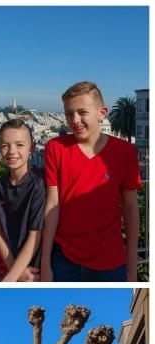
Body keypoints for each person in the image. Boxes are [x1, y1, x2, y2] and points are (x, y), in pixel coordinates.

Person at [40, 81, 142, 282]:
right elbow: (53, 204)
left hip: (111, 262)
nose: (75, 120)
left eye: (82, 112)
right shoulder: (55, 148)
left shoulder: (125, 153)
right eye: (69, 114)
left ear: (102, 113)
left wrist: (132, 266)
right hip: (63, 259)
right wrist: (45, 262)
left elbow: (130, 208)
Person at [0, 119, 45, 282]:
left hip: (31, 269)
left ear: (32, 148)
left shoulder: (38, 184)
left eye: (19, 145)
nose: (12, 151)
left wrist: (11, 277)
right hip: (5, 266)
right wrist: (15, 272)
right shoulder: (0, 186)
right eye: (5, 145)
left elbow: (35, 235)